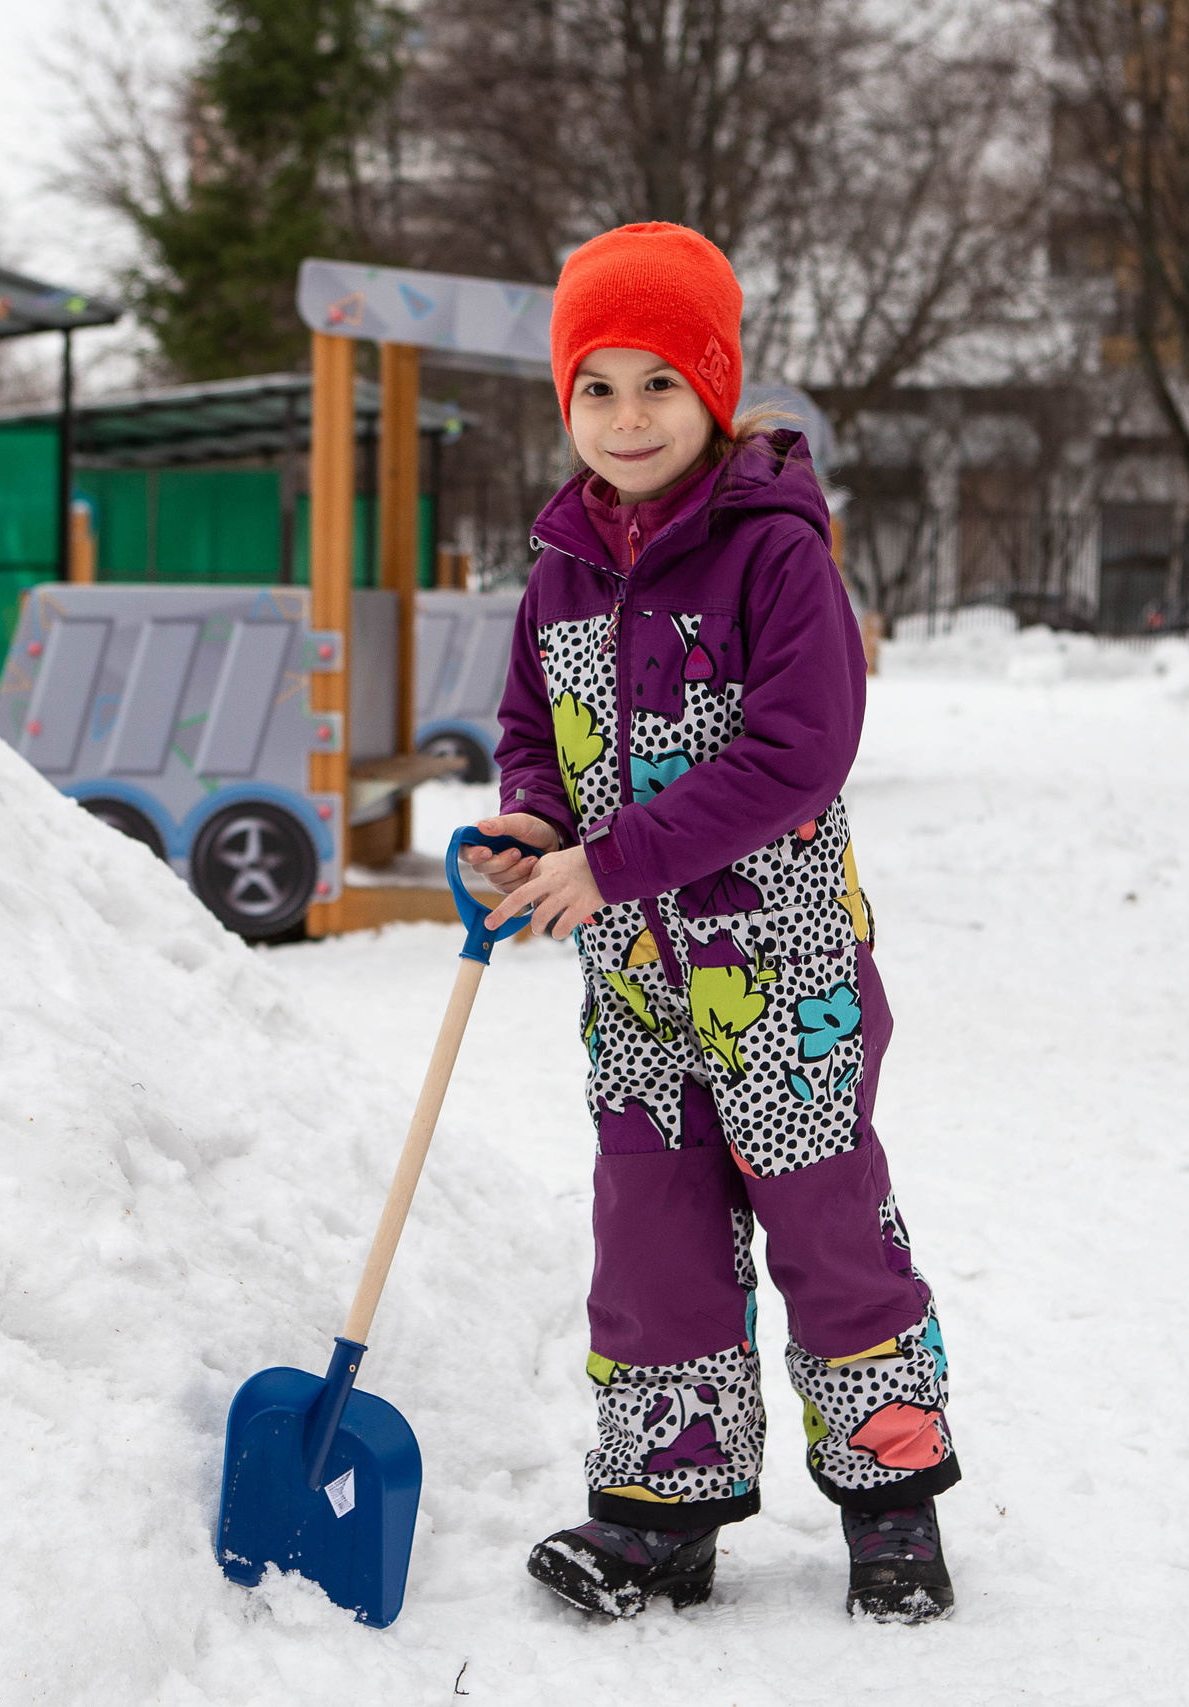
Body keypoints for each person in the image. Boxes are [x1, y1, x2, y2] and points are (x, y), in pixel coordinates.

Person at [465, 222, 959, 1625]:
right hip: (636, 990)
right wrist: (532, 827)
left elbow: (798, 753)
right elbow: (533, 737)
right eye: (597, 388)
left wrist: (616, 860)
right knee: (651, 1244)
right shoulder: (561, 567)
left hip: (784, 973)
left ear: (717, 392)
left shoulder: (771, 554)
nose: (625, 418)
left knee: (828, 1236)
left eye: (658, 385)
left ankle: (891, 1503)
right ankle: (658, 1516)